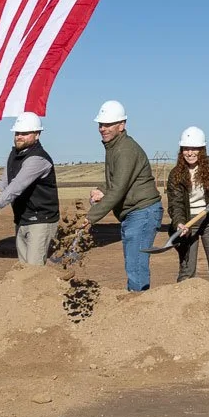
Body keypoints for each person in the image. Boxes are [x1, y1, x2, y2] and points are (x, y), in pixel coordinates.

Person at [86, 100, 163, 292]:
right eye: (101, 125)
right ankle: (136, 302)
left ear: (122, 125)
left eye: (108, 124)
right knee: (133, 262)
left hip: (142, 212)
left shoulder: (125, 149)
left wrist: (90, 217)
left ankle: (138, 306)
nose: (103, 129)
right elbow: (119, 180)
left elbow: (119, 188)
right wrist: (102, 189)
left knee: (136, 264)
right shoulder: (114, 146)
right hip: (134, 213)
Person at [0, 111, 59, 266]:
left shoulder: (38, 159)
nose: (19, 136)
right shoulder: (14, 154)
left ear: (37, 134)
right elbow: (6, 180)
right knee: (24, 267)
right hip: (22, 218)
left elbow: (16, 186)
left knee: (33, 269)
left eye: (25, 133)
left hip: (41, 220)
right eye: (17, 133)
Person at [165, 126, 209, 288]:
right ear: (181, 150)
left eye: (195, 148)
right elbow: (176, 204)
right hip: (188, 223)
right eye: (186, 148)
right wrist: (179, 223)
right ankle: (180, 306)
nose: (190, 152)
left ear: (202, 149)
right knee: (187, 272)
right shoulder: (176, 174)